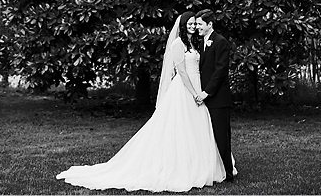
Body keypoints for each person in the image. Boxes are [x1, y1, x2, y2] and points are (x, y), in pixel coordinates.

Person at [55, 12, 227, 192]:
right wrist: (194, 94)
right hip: (185, 90)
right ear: (182, 25)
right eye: (189, 24)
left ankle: (200, 165)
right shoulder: (178, 44)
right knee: (181, 126)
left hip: (198, 86)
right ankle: (180, 167)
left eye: (194, 24)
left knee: (197, 126)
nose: (193, 26)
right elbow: (182, 73)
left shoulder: (195, 43)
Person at [194, 9, 236, 182]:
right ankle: (214, 168)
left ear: (210, 24)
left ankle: (228, 173)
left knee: (221, 136)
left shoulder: (220, 42)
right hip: (204, 97)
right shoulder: (201, 41)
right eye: (196, 24)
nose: (197, 27)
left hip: (218, 98)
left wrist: (206, 92)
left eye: (200, 24)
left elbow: (220, 70)